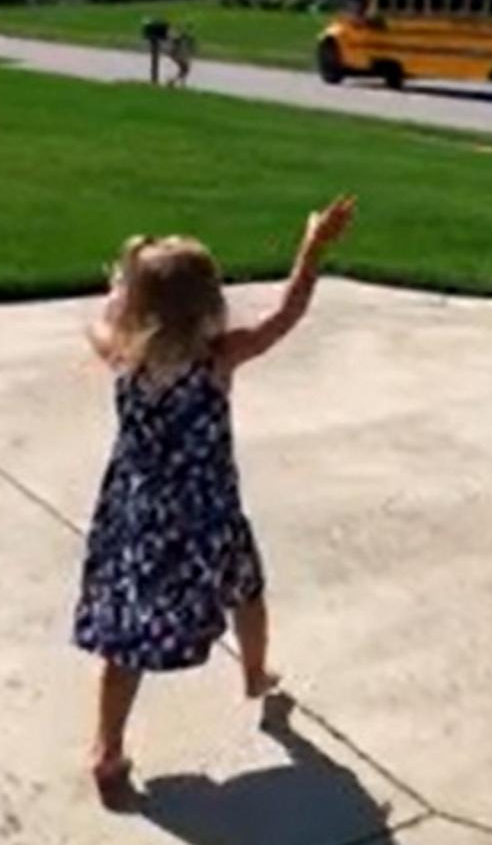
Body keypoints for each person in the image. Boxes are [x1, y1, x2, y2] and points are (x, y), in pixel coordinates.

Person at [73, 195, 357, 809]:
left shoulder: (121, 351)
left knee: (125, 637)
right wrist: (311, 250)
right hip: (206, 516)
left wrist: (120, 300)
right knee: (246, 589)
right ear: (208, 306)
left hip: (136, 518)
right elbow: (288, 313)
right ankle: (255, 673)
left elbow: (99, 324)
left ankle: (106, 747)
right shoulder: (218, 358)